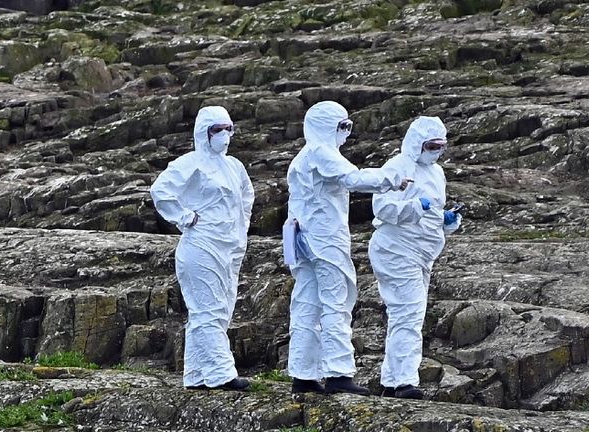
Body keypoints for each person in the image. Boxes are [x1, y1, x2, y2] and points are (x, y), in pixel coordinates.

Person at [283, 100, 410, 395]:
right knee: (336, 302)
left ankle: (303, 374)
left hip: (302, 241)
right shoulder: (321, 152)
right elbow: (353, 178)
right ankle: (338, 373)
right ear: (327, 126)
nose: (347, 133)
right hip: (324, 239)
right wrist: (392, 179)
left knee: (306, 304)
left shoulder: (303, 156)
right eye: (343, 126)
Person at [150, 105, 255, 391]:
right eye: (216, 129)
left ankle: (196, 374)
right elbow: (160, 190)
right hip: (201, 247)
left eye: (228, 128)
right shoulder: (190, 163)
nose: (224, 135)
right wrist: (186, 217)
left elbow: (246, 197)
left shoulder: (234, 166)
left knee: (218, 311)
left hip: (228, 248)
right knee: (208, 309)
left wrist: (239, 230)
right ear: (203, 133)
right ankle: (222, 373)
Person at [367, 116, 461, 400]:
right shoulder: (397, 167)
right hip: (396, 250)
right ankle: (406, 382)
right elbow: (382, 208)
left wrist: (446, 221)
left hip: (423, 253)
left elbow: (433, 215)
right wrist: (414, 208)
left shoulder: (437, 173)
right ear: (416, 143)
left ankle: (392, 381)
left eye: (441, 146)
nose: (436, 151)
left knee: (407, 315)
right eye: (432, 145)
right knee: (408, 314)